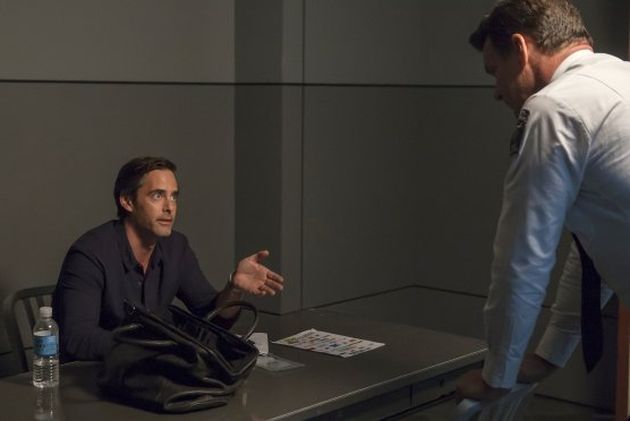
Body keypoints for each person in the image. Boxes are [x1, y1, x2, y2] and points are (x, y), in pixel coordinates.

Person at [456, 0, 630, 401]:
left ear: (521, 49)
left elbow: (523, 258)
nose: (497, 92)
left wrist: (496, 377)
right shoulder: (619, 79)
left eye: (495, 72)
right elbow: (595, 242)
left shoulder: (555, 108)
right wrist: (549, 356)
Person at [52, 156, 284, 361]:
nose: (169, 207)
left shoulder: (176, 247)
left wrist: (234, 288)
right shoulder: (89, 254)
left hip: (148, 373)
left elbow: (211, 317)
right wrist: (158, 348)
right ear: (127, 201)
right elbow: (78, 339)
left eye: (173, 197)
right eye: (157, 196)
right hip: (90, 376)